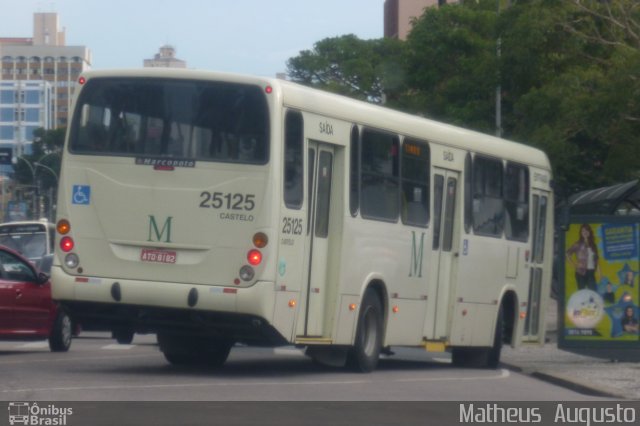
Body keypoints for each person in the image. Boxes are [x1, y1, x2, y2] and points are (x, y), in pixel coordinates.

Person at [566, 224, 600, 291]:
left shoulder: (593, 245)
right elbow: (567, 253)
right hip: (580, 272)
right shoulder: (578, 244)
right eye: (583, 231)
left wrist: (599, 271)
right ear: (581, 233)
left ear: (589, 232)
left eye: (587, 230)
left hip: (591, 272)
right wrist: (575, 265)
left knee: (593, 292)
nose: (585, 232)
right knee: (582, 293)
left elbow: (596, 259)